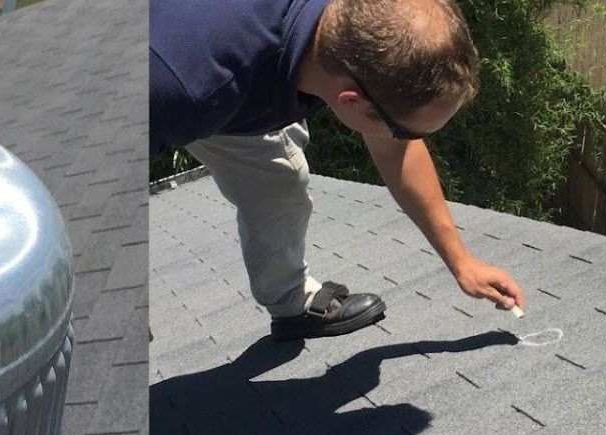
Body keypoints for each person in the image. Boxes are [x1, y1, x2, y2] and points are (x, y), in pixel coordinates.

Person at [149, 0, 526, 341]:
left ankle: (290, 303)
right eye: (406, 130)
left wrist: (461, 261)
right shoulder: (184, 85)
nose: (409, 141)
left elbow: (396, 151)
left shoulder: (355, 28)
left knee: (279, 185)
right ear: (351, 99)